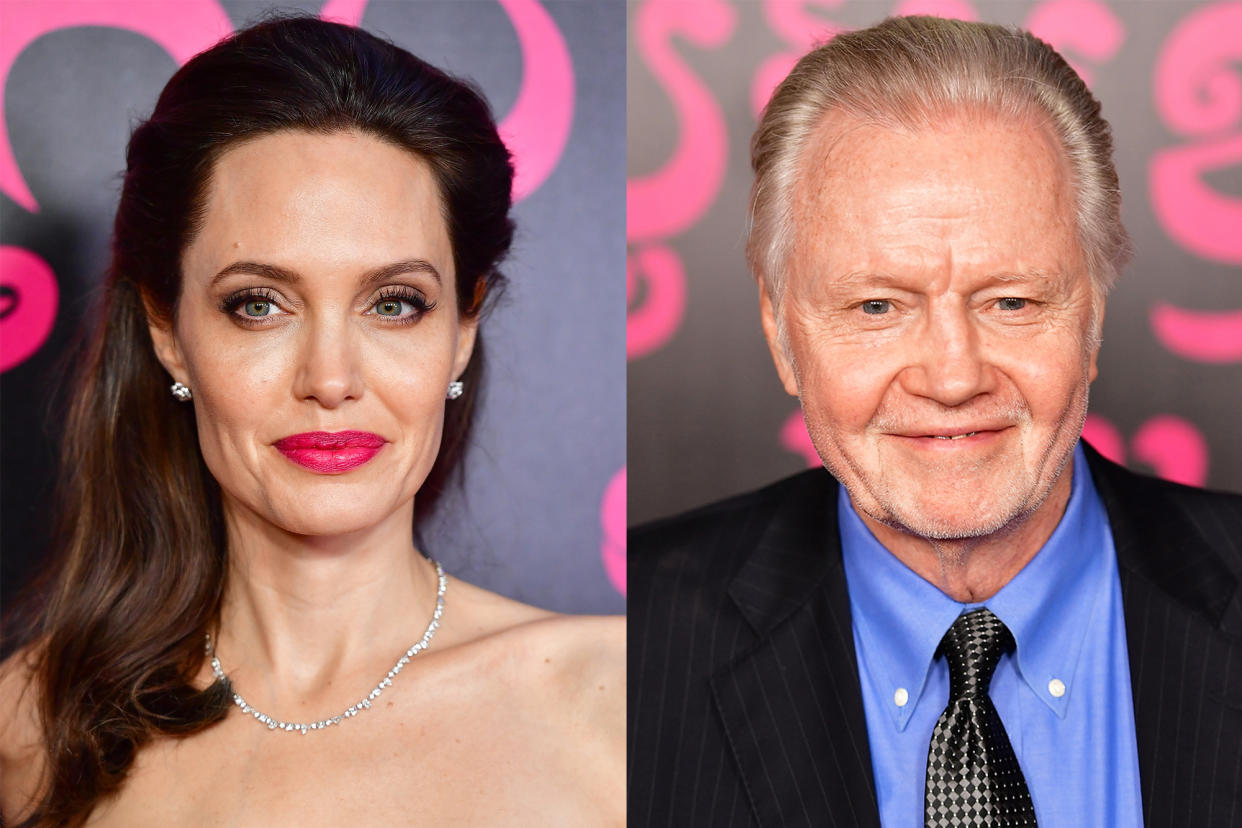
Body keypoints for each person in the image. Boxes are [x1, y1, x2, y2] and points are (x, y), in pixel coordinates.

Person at [0, 16, 623, 826]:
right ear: (168, 332)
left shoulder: (617, 702)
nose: (331, 380)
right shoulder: (28, 733)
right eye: (258, 305)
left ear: (462, 329)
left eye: (395, 304)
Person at [628, 15, 1242, 828]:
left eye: (1012, 301)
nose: (953, 378)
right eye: (877, 306)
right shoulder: (628, 643)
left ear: (1091, 319)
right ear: (782, 336)